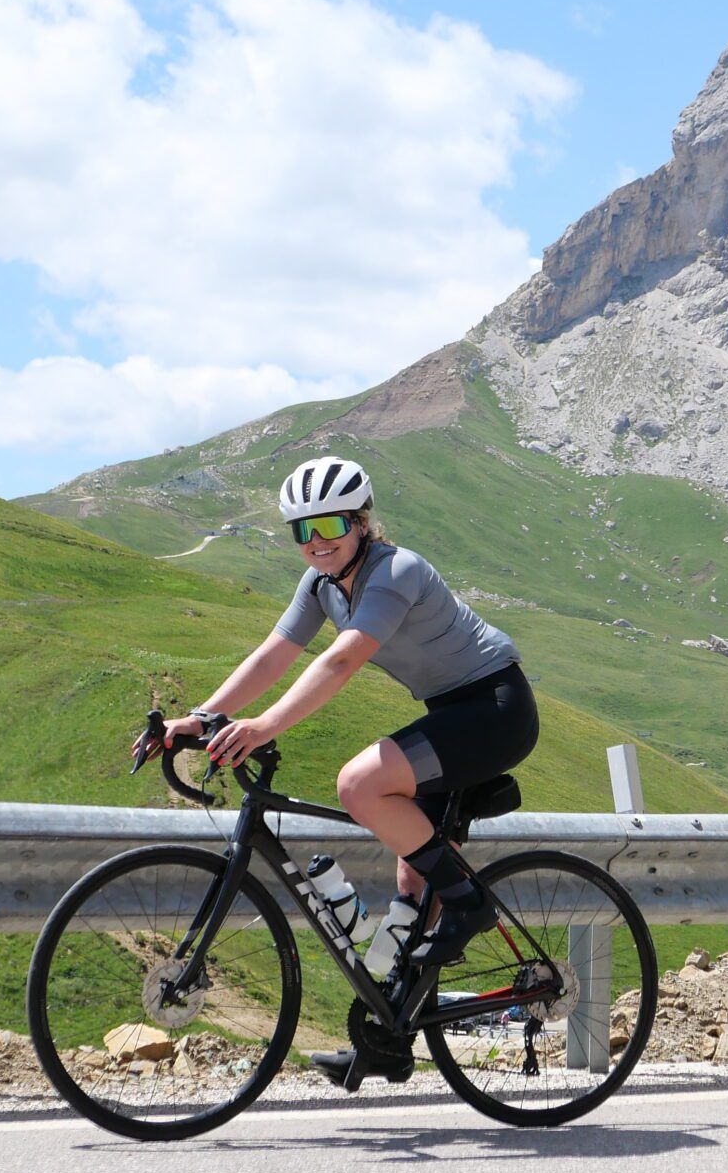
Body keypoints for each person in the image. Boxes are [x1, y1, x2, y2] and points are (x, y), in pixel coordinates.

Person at [164, 454, 537, 1084]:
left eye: (331, 524)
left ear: (362, 521)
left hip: (494, 707)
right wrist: (204, 717)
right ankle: (387, 1037)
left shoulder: (397, 571)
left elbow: (340, 662)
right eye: (302, 531)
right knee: (410, 880)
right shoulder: (321, 586)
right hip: (450, 710)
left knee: (359, 784)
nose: (317, 543)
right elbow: (273, 654)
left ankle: (470, 904)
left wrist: (261, 728)